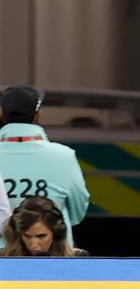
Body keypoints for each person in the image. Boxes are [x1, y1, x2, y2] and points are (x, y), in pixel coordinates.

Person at [0, 85, 90, 247]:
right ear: (38, 115)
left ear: (1, 113)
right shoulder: (64, 156)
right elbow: (77, 214)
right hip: (52, 258)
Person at [2, 197, 88, 257]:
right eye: (27, 236)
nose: (33, 246)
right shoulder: (2, 259)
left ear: (56, 233)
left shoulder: (78, 259)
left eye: (41, 236)